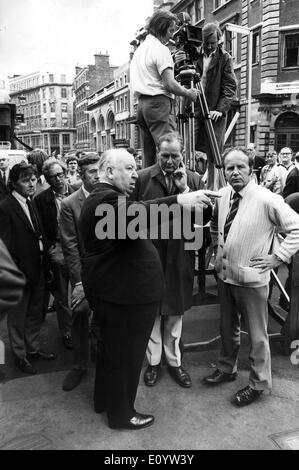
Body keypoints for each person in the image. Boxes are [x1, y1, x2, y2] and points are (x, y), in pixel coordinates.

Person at [79, 148, 218, 430]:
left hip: (119, 294)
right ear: (108, 172)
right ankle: (121, 414)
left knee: (112, 353)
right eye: (128, 168)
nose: (134, 174)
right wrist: (179, 199)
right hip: (124, 297)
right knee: (126, 358)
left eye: (135, 168)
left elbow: (139, 217)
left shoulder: (108, 199)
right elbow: (135, 216)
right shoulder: (104, 200)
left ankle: (105, 400)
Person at [203, 147, 299, 406]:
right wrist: (215, 245)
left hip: (252, 280)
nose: (234, 173)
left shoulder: (267, 198)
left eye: (240, 168)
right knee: (226, 327)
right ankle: (226, 369)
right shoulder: (223, 195)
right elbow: (215, 222)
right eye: (229, 168)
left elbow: (296, 228)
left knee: (257, 336)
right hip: (225, 276)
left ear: (251, 170)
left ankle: (258, 384)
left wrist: (277, 257)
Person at [132, 132, 211, 388]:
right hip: (149, 257)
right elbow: (129, 218)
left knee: (175, 312)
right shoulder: (142, 178)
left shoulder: (193, 179)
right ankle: (154, 363)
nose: (169, 161)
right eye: (164, 155)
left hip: (180, 255)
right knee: (152, 313)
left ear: (182, 154)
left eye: (174, 156)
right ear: (157, 152)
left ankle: (175, 363)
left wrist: (185, 190)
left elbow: (204, 219)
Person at [0, 162, 55, 374]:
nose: (31, 184)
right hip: (19, 273)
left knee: (34, 313)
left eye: (33, 179)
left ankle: (33, 349)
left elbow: (36, 233)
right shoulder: (5, 207)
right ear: (14, 183)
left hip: (38, 268)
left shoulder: (30, 202)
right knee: (17, 317)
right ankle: (20, 355)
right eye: (25, 180)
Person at [130, 9, 199, 168]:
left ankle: (150, 192)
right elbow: (168, 84)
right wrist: (188, 92)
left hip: (142, 106)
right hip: (158, 104)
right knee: (171, 149)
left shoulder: (139, 51)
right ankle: (178, 189)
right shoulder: (161, 50)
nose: (171, 36)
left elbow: (152, 75)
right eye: (170, 30)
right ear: (161, 28)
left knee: (149, 158)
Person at [60, 155, 101, 391]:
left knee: (107, 315)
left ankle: (102, 356)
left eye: (100, 171)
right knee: (80, 312)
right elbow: (70, 246)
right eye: (92, 172)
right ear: (82, 175)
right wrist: (78, 283)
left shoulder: (112, 197)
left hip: (107, 272)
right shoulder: (69, 204)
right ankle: (79, 365)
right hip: (82, 273)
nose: (97, 176)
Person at [35, 158, 75, 350]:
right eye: (53, 177)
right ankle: (67, 331)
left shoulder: (78, 192)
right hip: (58, 249)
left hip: (77, 248)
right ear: (47, 179)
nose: (58, 179)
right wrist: (50, 247)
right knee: (61, 295)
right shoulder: (41, 200)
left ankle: (84, 327)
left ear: (66, 173)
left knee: (83, 290)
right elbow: (39, 227)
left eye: (60, 174)